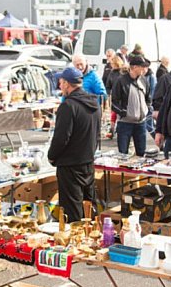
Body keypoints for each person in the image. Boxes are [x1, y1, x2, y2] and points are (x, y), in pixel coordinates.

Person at [47, 68, 100, 223]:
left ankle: (76, 242)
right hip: (87, 162)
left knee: (73, 211)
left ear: (67, 84)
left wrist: (52, 156)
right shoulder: (93, 103)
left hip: (70, 165)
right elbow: (96, 134)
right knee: (88, 207)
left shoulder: (68, 106)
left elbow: (61, 138)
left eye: (61, 82)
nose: (59, 85)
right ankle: (91, 237)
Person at [112, 56, 152, 156]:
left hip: (141, 123)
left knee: (141, 153)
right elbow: (114, 102)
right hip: (125, 123)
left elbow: (148, 97)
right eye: (141, 67)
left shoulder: (144, 80)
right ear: (134, 67)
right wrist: (123, 112)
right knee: (123, 154)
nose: (144, 69)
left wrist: (146, 109)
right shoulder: (121, 81)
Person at [105, 55, 125, 139]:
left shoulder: (123, 72)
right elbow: (108, 85)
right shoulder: (112, 73)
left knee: (122, 114)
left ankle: (121, 130)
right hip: (115, 96)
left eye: (113, 63)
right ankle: (112, 129)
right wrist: (108, 93)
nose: (111, 65)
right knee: (114, 113)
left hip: (123, 96)